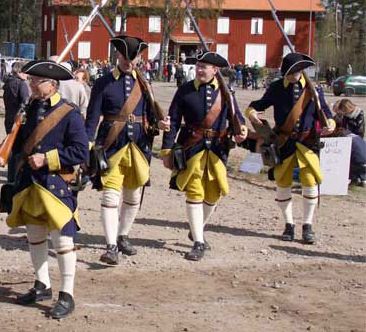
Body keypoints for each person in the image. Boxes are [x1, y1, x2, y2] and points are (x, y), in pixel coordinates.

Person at [0, 60, 89, 319]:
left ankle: (67, 294)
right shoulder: (29, 108)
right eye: (31, 80)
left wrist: (48, 159)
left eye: (36, 81)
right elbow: (18, 141)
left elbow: (80, 151)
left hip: (56, 186)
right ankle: (42, 284)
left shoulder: (69, 112)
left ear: (52, 85)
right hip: (30, 184)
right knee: (34, 236)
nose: (31, 85)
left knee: (63, 241)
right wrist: (2, 154)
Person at [85, 35, 169, 265]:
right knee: (111, 194)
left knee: (133, 196)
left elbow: (151, 117)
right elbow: (92, 117)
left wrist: (159, 125)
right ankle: (111, 246)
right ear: (118, 56)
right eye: (124, 57)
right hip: (111, 145)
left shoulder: (144, 83)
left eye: (133, 58)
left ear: (139, 59)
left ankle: (123, 235)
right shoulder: (103, 82)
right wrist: (87, 144)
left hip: (139, 147)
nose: (128, 62)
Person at [161, 52, 248, 261]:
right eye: (198, 66)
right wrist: (166, 149)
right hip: (192, 148)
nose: (199, 70)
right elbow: (172, 121)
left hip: (217, 150)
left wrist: (242, 129)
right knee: (194, 192)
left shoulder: (227, 93)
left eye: (204, 67)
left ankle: (196, 228)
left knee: (213, 195)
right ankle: (198, 242)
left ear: (215, 70)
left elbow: (237, 117)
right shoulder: (185, 90)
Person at [245, 52, 335, 244]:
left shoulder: (314, 89)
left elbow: (326, 112)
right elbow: (257, 105)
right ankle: (289, 224)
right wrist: (252, 113)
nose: (294, 75)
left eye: (297, 71)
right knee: (282, 183)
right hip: (284, 143)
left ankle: (308, 225)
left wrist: (331, 124)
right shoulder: (277, 88)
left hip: (307, 143)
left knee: (311, 182)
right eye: (291, 72)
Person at [332, 98, 366, 186]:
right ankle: (353, 176)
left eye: (343, 110)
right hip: (345, 137)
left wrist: (348, 131)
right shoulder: (343, 115)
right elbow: (340, 124)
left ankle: (360, 177)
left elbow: (360, 129)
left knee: (357, 156)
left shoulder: (359, 113)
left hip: (355, 136)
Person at [2, 61, 30, 135]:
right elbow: (25, 100)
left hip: (8, 116)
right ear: (20, 72)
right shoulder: (21, 84)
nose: (27, 75)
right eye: (25, 72)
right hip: (17, 117)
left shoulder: (8, 82)